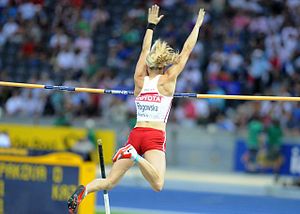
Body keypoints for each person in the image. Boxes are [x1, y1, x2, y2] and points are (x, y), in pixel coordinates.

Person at [68, 4, 205, 213]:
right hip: (154, 137)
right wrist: (197, 26)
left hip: (136, 133)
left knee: (110, 182)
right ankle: (134, 156)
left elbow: (143, 50)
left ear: (149, 64)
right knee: (158, 184)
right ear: (163, 65)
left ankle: (84, 190)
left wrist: (150, 25)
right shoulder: (168, 80)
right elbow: (186, 50)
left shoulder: (139, 80)